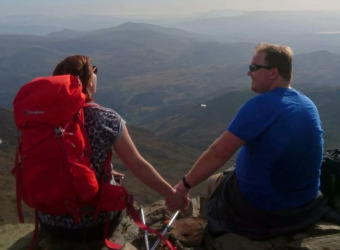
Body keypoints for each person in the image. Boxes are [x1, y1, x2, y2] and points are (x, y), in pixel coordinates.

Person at [166, 43, 335, 240]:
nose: (249, 73)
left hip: (263, 209)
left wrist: (183, 186)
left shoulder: (262, 105)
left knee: (213, 182)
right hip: (305, 204)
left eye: (254, 68)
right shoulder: (307, 104)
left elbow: (218, 153)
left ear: (273, 72)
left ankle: (212, 236)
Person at [38, 55, 188, 242]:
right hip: (95, 225)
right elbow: (138, 165)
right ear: (90, 81)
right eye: (94, 71)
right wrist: (171, 194)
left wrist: (104, 171)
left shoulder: (39, 119)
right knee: (116, 191)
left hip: (50, 222)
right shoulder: (107, 118)